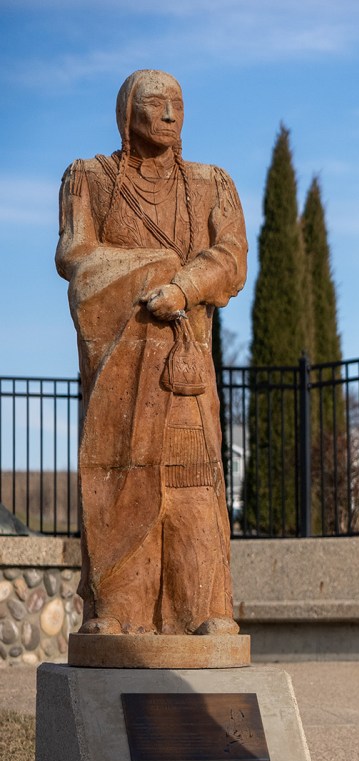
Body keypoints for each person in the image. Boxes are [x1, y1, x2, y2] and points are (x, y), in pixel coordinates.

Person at [56, 69, 248, 636]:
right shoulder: (90, 177)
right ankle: (118, 609)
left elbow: (232, 258)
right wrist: (152, 271)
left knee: (194, 482)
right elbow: (76, 257)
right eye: (155, 102)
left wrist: (183, 288)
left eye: (178, 104)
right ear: (126, 112)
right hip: (121, 362)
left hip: (184, 367)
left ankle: (205, 609)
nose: (169, 113)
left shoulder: (212, 183)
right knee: (120, 479)